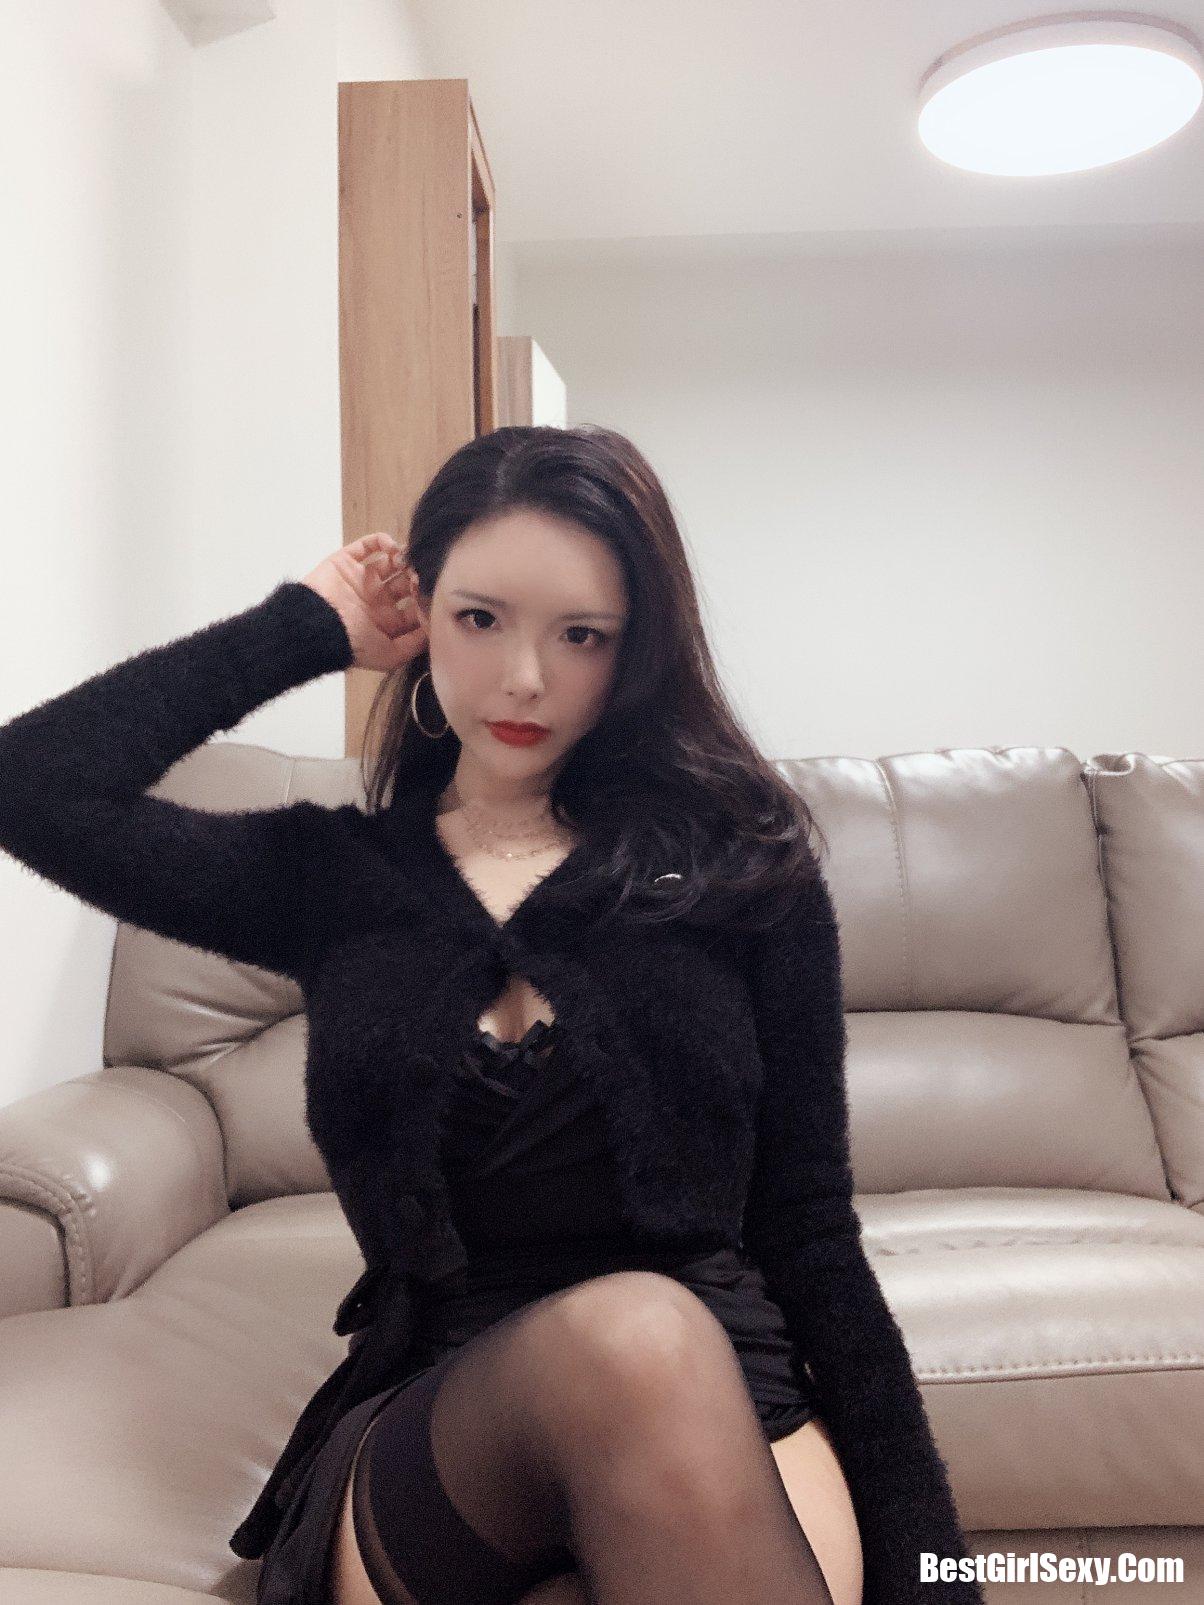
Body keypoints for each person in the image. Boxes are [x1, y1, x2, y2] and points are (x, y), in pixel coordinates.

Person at [0, 425, 984, 1605]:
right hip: (440, 1424)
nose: (524, 678)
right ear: (422, 620)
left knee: (656, 1361)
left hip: (734, 1390)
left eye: (581, 636)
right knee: (633, 1334)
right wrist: (303, 629)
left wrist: (935, 1573)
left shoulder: (743, 872)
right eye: (480, 620)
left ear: (638, 651)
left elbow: (810, 1230)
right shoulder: (330, 878)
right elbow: (31, 784)